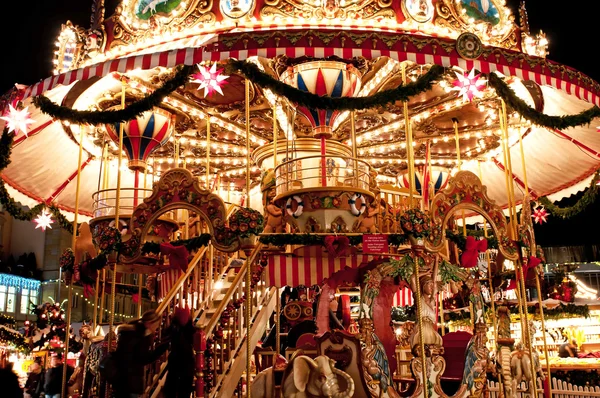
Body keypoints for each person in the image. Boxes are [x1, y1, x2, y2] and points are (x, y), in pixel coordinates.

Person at [112, 310, 169, 398]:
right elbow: (142, 358)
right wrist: (160, 349)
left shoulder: (131, 331)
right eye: (157, 324)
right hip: (131, 380)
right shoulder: (139, 335)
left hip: (122, 378)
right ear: (149, 323)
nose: (157, 328)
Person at [163, 307, 195, 398]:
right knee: (183, 390)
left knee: (173, 389)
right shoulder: (191, 330)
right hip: (185, 364)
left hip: (177, 362)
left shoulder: (172, 330)